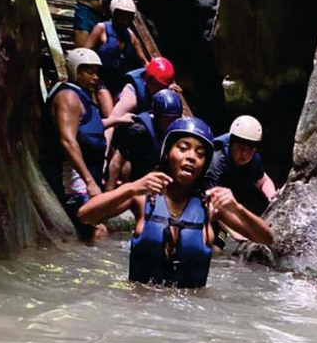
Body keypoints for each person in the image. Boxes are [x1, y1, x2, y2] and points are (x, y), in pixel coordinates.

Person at [78, 117, 273, 288]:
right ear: (166, 153)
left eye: (200, 153)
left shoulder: (210, 205)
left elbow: (266, 238)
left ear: (205, 164)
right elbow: (85, 215)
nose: (191, 157)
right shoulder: (141, 196)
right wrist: (130, 188)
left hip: (189, 317)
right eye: (183, 148)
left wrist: (237, 208)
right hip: (138, 311)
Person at [40, 48, 133, 240]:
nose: (95, 77)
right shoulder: (68, 97)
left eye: (97, 72)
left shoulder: (81, 95)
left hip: (85, 178)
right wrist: (90, 182)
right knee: (97, 231)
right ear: (76, 71)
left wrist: (118, 120)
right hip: (72, 180)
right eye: (89, 71)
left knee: (134, 198)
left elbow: (88, 126)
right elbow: (68, 140)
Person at [83, 0, 147, 118]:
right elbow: (84, 53)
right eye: (122, 16)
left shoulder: (131, 36)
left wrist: (166, 81)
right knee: (111, 116)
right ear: (114, 14)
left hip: (121, 83)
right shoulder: (101, 29)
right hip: (101, 81)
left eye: (128, 17)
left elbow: (144, 62)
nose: (124, 20)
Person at [106, 89, 183, 191]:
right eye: (167, 118)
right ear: (157, 115)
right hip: (135, 176)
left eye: (175, 118)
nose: (171, 122)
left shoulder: (177, 129)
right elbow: (117, 162)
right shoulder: (138, 131)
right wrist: (110, 191)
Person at [206, 115, 276, 219]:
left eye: (249, 148)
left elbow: (262, 180)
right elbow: (213, 205)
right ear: (231, 142)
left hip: (232, 205)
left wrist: (272, 197)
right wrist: (234, 233)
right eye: (240, 146)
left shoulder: (254, 159)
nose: (244, 153)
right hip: (208, 208)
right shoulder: (216, 161)